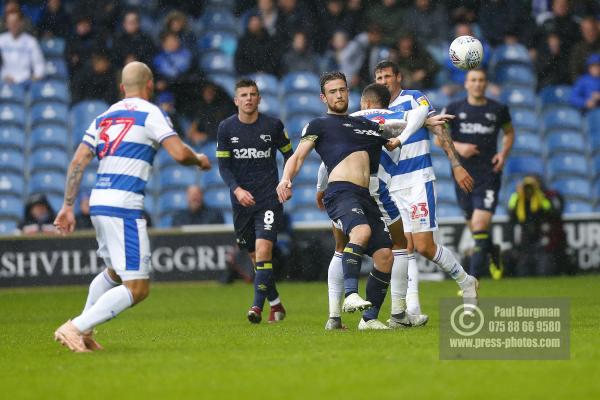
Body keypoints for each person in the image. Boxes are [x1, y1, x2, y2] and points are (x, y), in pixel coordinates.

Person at [53, 61, 211, 353]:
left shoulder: (104, 117)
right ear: (150, 85)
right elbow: (178, 153)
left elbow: (78, 162)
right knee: (137, 287)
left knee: (114, 273)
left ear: (122, 88)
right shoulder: (152, 113)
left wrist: (67, 206)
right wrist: (198, 160)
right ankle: (74, 327)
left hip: (99, 201)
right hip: (123, 205)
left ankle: (84, 331)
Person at [277, 72, 437, 330]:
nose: (339, 95)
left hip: (366, 196)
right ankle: (350, 295)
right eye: (332, 91)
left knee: (386, 255)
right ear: (323, 97)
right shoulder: (318, 125)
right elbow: (297, 157)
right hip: (341, 192)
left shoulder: (365, 125)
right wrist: (286, 179)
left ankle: (369, 319)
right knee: (358, 234)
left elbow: (394, 128)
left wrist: (428, 123)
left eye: (342, 90)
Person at [315, 81, 466, 329]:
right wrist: (407, 134)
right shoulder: (393, 119)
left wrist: (320, 189)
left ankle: (334, 316)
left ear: (364, 102)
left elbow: (326, 162)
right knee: (399, 245)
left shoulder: (349, 120)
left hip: (339, 188)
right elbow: (420, 113)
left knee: (341, 247)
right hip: (375, 191)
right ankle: (395, 312)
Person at [216, 79, 293, 324]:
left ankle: (256, 308)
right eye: (244, 95)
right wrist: (237, 190)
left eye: (253, 94)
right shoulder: (226, 129)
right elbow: (224, 167)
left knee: (263, 251)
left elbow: (290, 155)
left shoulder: (273, 125)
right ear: (236, 100)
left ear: (259, 99)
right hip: (241, 204)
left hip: (268, 199)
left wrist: (286, 181)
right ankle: (276, 305)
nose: (249, 98)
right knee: (256, 260)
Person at [443, 68, 515, 280]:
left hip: (489, 175)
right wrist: (460, 147)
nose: (477, 83)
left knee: (480, 224)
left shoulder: (499, 109)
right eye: (473, 80)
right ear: (466, 84)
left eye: (481, 80)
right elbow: (440, 140)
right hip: (463, 176)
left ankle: (472, 282)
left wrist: (503, 153)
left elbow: (509, 132)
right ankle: (493, 250)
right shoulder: (454, 108)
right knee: (476, 230)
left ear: (486, 83)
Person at [507, 176, 554, 276]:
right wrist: (517, 194)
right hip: (524, 233)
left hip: (538, 232)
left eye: (530, 187)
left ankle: (543, 275)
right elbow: (510, 213)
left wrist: (539, 194)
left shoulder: (539, 198)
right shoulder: (517, 198)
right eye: (526, 188)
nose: (528, 190)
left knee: (541, 257)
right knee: (524, 258)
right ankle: (523, 276)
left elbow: (549, 210)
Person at [0, 11, 44, 84]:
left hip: (26, 82)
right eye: (10, 22)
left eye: (16, 22)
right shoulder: (1, 40)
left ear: (21, 23)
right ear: (7, 24)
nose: (13, 25)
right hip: (4, 80)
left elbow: (39, 64)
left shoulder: (31, 41)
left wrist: (34, 78)